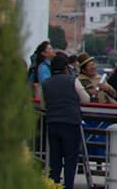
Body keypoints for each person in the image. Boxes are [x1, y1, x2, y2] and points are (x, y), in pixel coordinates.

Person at [43, 52, 88, 189]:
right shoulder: (73, 81)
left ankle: (54, 185)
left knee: (55, 161)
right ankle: (68, 186)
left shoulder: (46, 83)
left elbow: (43, 105)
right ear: (66, 67)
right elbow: (86, 99)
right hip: (70, 123)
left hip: (53, 124)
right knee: (70, 159)